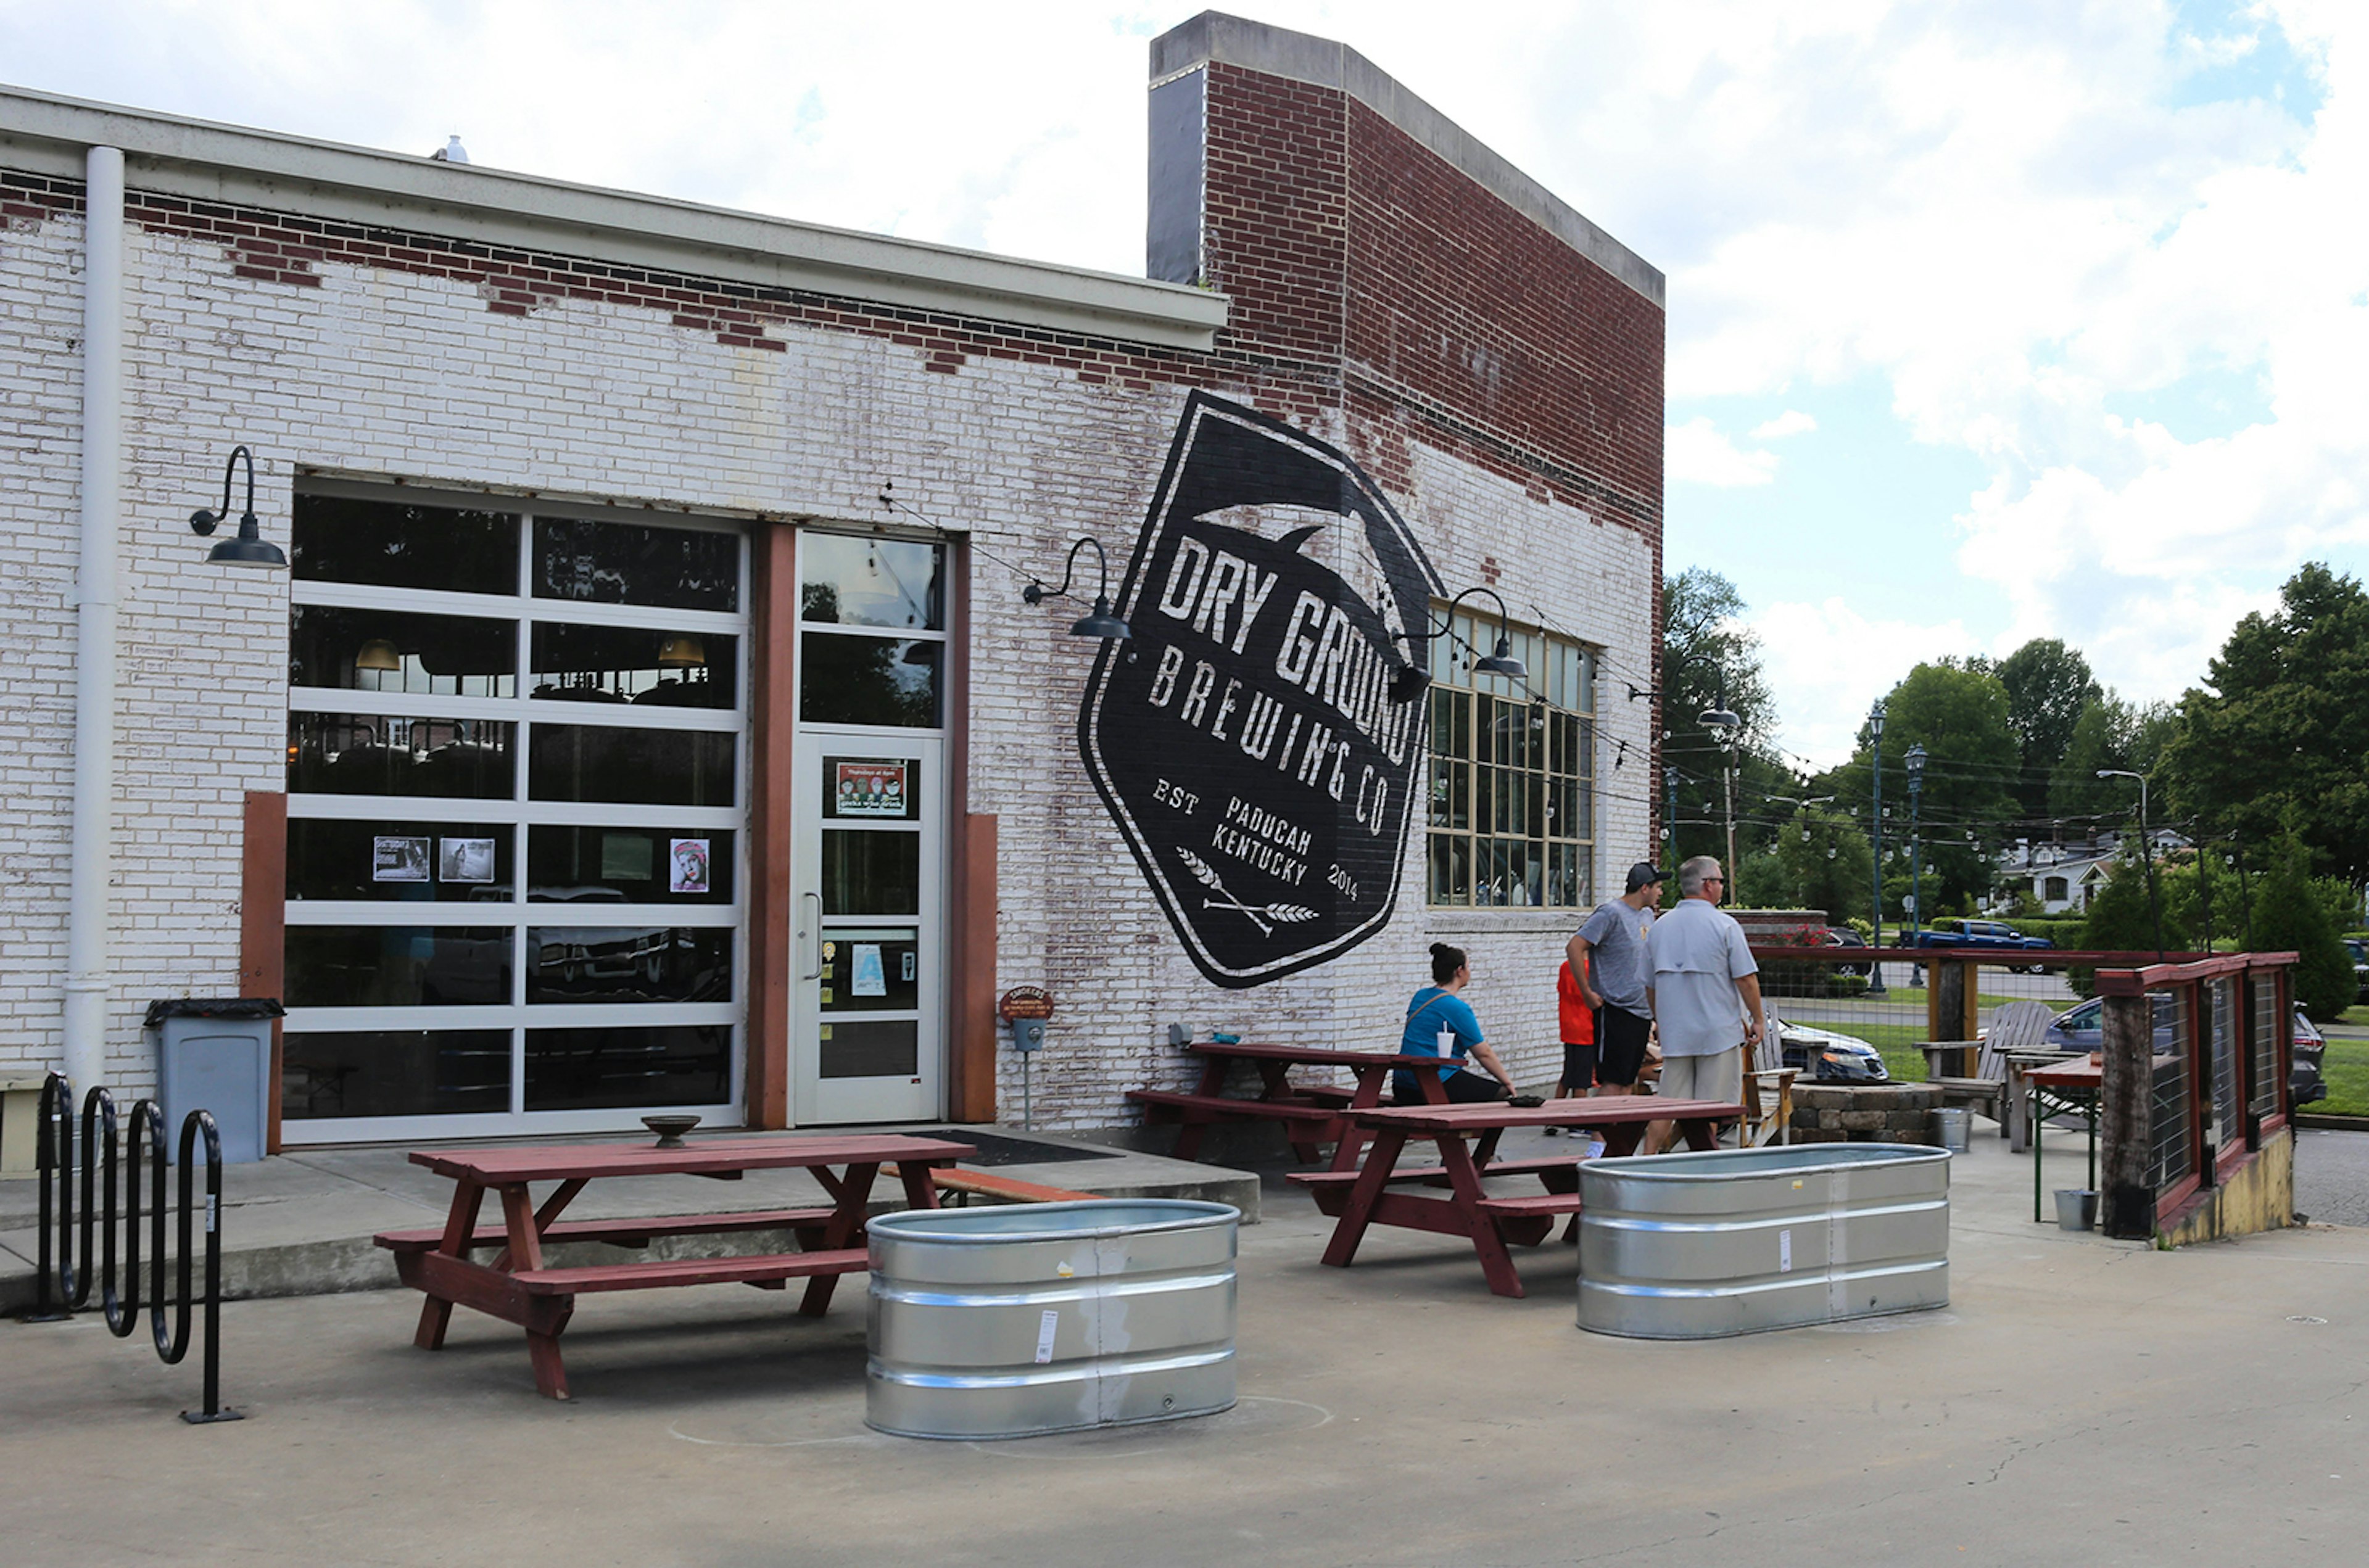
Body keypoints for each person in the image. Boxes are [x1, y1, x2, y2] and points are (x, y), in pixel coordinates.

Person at [1641, 855, 1763, 1153]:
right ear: (1708, 885)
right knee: (1712, 1105)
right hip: (1717, 1033)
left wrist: (1662, 1021)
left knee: (1667, 1103)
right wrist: (1757, 1019)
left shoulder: (1660, 927)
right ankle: (1704, 1160)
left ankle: (1645, 1158)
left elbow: (1649, 985)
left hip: (1677, 1033)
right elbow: (1746, 979)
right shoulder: (1725, 925)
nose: (1722, 886)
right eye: (1720, 881)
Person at [1567, 861, 1664, 1099]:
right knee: (1613, 1082)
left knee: (1628, 1082)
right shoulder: (1611, 913)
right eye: (1658, 887)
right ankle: (1599, 1136)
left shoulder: (1647, 916)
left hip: (1641, 1011)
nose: (1660, 893)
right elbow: (1575, 947)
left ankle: (1618, 1136)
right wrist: (1587, 992)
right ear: (1644, 888)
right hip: (1616, 1010)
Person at [1395, 943, 1523, 1105]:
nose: (1470, 972)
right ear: (1459, 971)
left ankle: (1466, 1131)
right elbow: (1484, 1053)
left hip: (1402, 1084)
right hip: (1434, 1083)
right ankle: (1469, 1132)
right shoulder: (1457, 1008)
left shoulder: (1421, 996)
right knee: (1502, 1095)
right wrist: (1508, 1083)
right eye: (1468, 967)